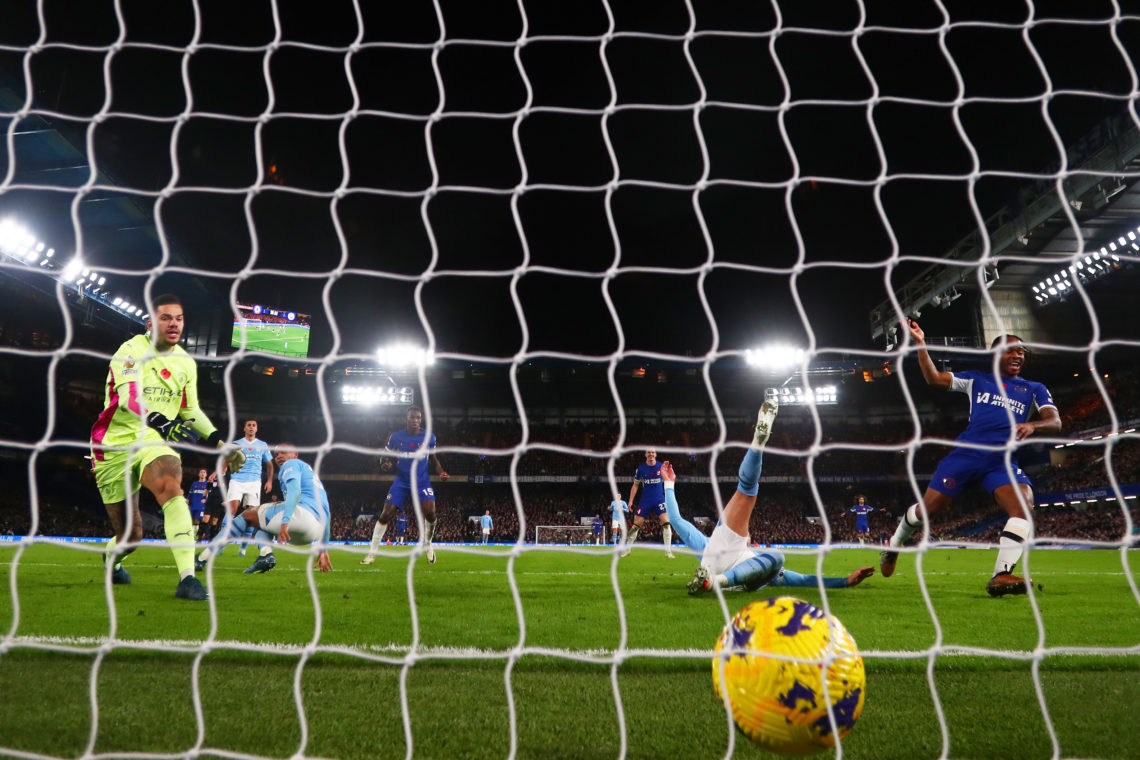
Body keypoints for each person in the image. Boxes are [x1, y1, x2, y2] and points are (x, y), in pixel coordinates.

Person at [881, 321, 1062, 597]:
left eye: (1021, 351)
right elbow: (933, 378)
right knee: (926, 512)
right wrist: (921, 345)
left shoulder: (1033, 388)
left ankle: (1001, 575)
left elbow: (1055, 421)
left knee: (1024, 507)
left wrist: (1034, 426)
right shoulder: (977, 379)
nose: (1018, 355)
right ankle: (894, 544)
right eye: (1011, 350)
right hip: (966, 457)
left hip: (1001, 463)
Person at [89, 293, 245, 601]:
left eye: (179, 318)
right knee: (131, 536)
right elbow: (131, 399)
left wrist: (221, 443)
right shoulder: (131, 350)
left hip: (153, 441)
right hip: (114, 444)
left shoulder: (185, 363)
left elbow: (191, 411)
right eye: (165, 318)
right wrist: (161, 421)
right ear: (150, 323)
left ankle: (187, 578)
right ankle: (112, 559)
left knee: (170, 485)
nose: (174, 324)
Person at [662, 396, 874, 595]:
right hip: (733, 565)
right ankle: (716, 582)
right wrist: (844, 581)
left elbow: (674, 519)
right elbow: (803, 580)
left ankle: (757, 442)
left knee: (747, 488)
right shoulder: (757, 562)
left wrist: (669, 484)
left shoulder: (704, 545)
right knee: (776, 556)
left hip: (712, 559)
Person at [198, 444, 332, 573]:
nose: (279, 456)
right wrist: (324, 549)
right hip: (314, 532)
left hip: (299, 517)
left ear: (295, 454)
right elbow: (327, 513)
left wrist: (286, 521)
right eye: (276, 454)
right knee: (262, 522)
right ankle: (265, 555)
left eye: (283, 452)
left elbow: (295, 491)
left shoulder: (291, 464)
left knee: (248, 514)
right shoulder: (313, 479)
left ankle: (202, 558)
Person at [361, 406, 449, 565]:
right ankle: (371, 554)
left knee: (430, 512)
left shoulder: (429, 437)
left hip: (422, 481)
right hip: (401, 481)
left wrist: (441, 471)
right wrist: (385, 464)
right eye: (412, 417)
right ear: (406, 419)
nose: (415, 420)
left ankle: (428, 545)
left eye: (418, 418)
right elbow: (386, 458)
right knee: (385, 514)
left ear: (421, 419)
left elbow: (435, 460)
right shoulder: (395, 437)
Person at [218, 419, 275, 570]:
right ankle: (221, 543)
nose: (251, 427)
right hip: (237, 479)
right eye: (249, 425)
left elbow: (269, 464)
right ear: (244, 428)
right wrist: (222, 470)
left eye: (254, 425)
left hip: (255, 482)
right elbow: (227, 458)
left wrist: (269, 481)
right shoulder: (236, 443)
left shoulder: (262, 445)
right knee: (232, 510)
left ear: (257, 429)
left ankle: (243, 547)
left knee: (252, 513)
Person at [622, 449, 675, 558]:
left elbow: (669, 481)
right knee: (635, 526)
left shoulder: (661, 467)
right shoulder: (641, 469)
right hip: (646, 500)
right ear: (645, 454)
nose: (651, 454)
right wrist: (631, 501)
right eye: (649, 452)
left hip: (659, 499)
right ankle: (627, 550)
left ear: (656, 454)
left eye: (653, 452)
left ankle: (668, 551)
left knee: (666, 523)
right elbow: (635, 485)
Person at [187, 468, 212, 539]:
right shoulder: (194, 484)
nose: (202, 473)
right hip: (193, 505)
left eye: (204, 472)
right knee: (193, 521)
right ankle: (195, 535)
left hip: (202, 506)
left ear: (206, 475)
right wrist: (188, 500)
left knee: (200, 520)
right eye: (201, 472)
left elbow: (210, 494)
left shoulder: (208, 484)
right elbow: (190, 493)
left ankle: (199, 536)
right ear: (199, 474)